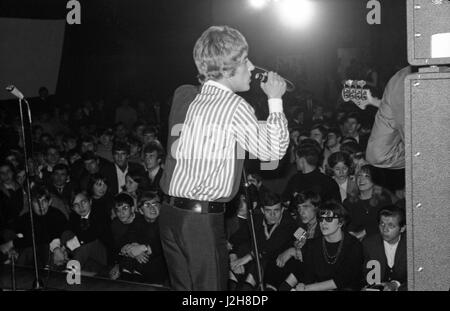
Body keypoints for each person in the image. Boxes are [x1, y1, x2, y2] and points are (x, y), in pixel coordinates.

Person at [159, 25, 289, 291]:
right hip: (200, 223)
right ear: (228, 68)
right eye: (244, 61)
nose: (252, 67)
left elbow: (223, 131)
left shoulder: (185, 96)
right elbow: (273, 152)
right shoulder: (235, 107)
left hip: (170, 216)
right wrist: (275, 100)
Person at [280, 201, 363, 291]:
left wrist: (308, 288)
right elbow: (303, 272)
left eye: (329, 219)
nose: (323, 223)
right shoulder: (312, 245)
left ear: (341, 222)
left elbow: (342, 280)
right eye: (321, 219)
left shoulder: (353, 245)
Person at [362, 205, 407, 291]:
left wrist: (396, 284)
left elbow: (418, 278)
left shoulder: (410, 245)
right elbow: (363, 274)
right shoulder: (369, 244)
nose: (385, 229)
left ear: (402, 228)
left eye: (391, 226)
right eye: (382, 224)